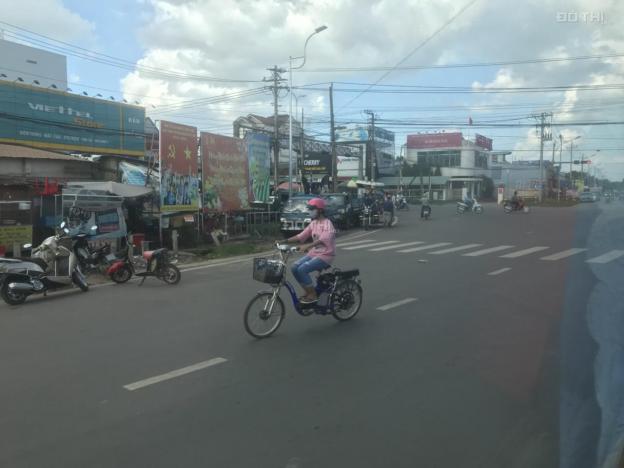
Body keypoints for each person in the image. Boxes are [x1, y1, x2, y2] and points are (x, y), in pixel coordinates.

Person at [284, 197, 336, 303]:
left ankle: (313, 294)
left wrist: (307, 246)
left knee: (302, 269)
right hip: (314, 253)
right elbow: (301, 236)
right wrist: (283, 241)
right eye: (309, 209)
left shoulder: (327, 223)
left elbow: (324, 238)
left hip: (325, 255)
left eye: (312, 209)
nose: (310, 211)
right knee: (294, 267)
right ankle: (308, 291)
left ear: (320, 210)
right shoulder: (313, 223)